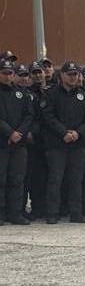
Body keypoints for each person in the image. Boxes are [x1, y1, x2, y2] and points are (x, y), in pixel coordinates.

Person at [40, 62, 85, 224]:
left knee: (76, 180)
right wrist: (63, 132)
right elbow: (48, 117)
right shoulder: (51, 94)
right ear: (62, 75)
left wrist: (78, 133)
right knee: (55, 180)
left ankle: (76, 213)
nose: (73, 77)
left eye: (76, 74)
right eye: (70, 74)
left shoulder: (84, 96)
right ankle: (52, 213)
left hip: (77, 144)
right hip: (57, 144)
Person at [0, 61, 34, 224]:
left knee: (17, 179)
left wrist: (19, 132)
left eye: (10, 73)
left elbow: (29, 115)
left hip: (19, 143)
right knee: (1, 179)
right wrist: (9, 132)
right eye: (4, 73)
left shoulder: (21, 93)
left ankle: (15, 213)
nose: (7, 76)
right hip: (2, 143)